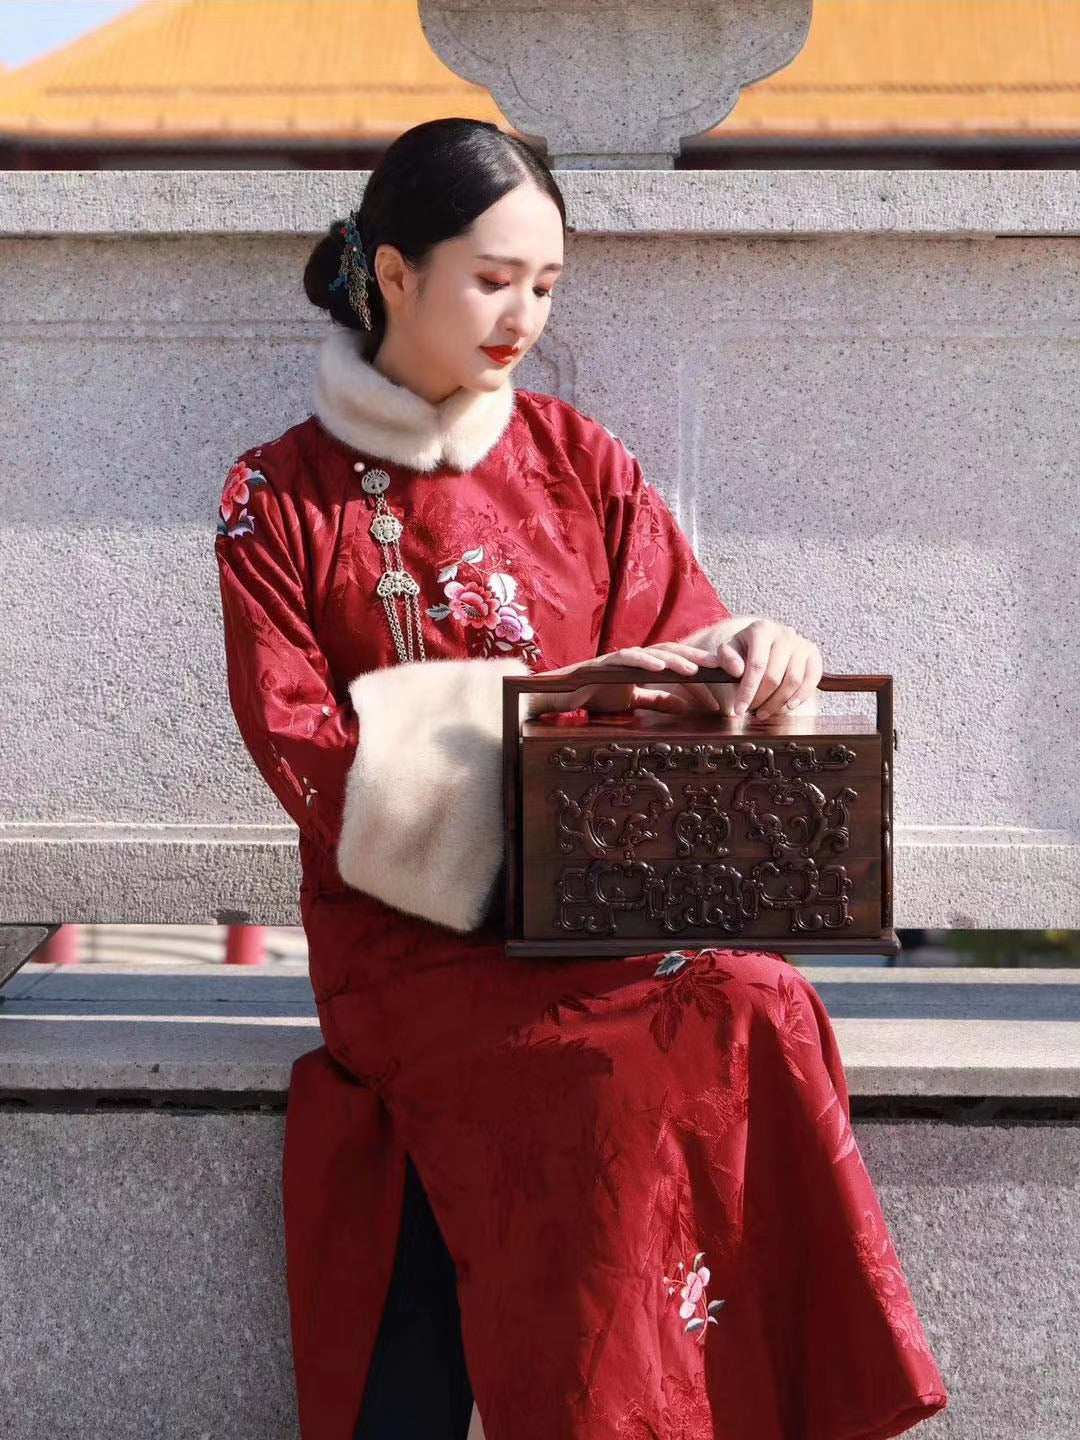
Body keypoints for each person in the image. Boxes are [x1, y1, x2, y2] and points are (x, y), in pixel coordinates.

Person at [214, 117, 948, 1440]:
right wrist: (555, 700)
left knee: (761, 1002)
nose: (525, 319)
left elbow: (681, 658)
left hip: (601, 915)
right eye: (494, 280)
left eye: (547, 286)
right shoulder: (279, 496)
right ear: (396, 274)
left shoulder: (580, 461)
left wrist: (749, 661)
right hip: (415, 943)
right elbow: (310, 755)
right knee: (612, 1075)